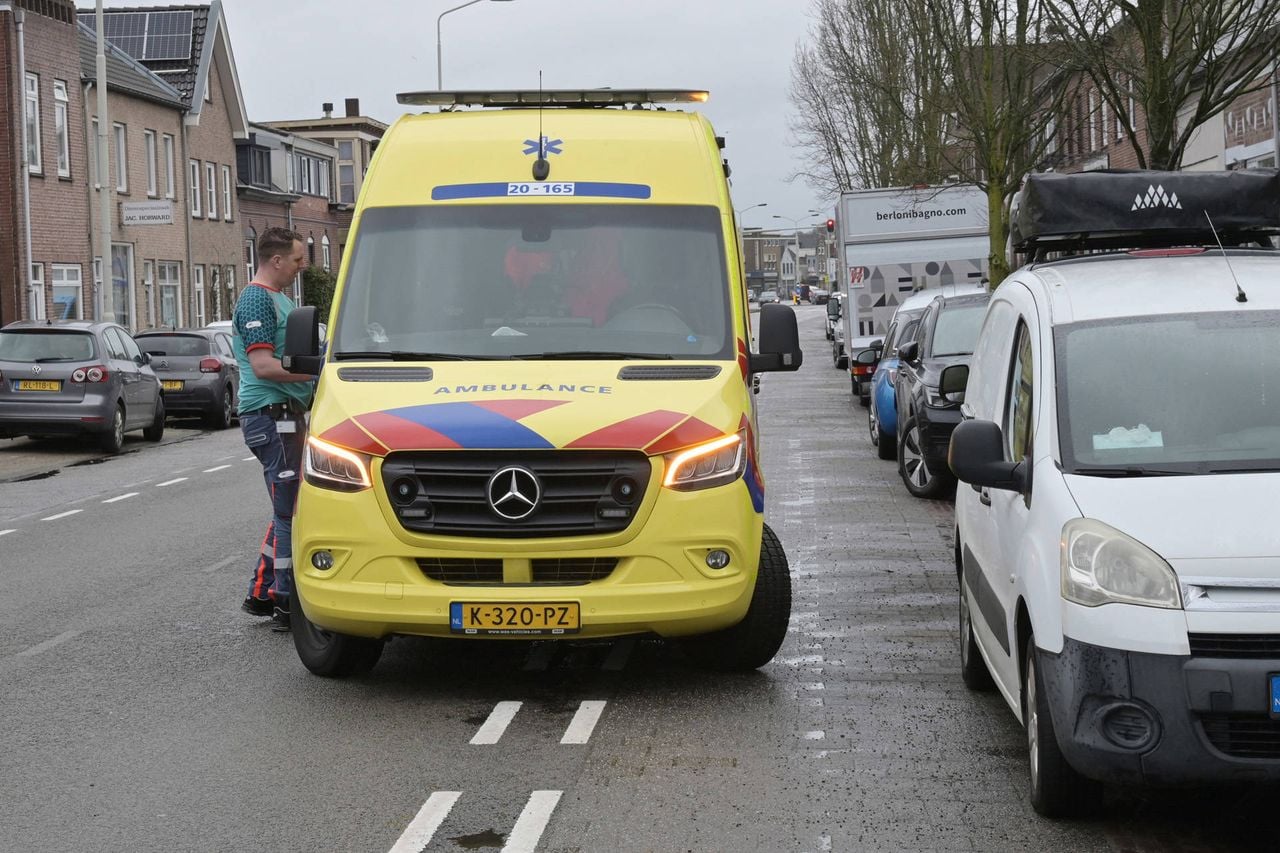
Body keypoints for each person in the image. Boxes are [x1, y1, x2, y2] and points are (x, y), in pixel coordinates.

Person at [233, 227, 315, 632]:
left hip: (286, 413)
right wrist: (315, 373)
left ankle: (262, 592)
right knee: (290, 511)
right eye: (298, 259)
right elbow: (263, 366)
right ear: (277, 260)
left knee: (287, 504)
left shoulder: (281, 300)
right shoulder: (256, 298)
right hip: (271, 414)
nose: (303, 266)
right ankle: (286, 603)